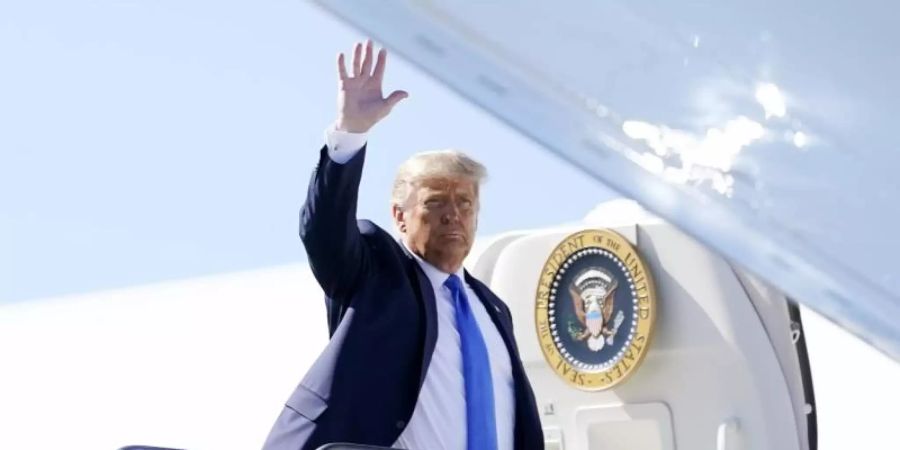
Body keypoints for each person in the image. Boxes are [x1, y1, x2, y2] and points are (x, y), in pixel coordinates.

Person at [263, 40, 543, 450]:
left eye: (464, 202)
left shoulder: (492, 308)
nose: (452, 214)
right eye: (434, 203)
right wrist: (350, 133)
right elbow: (324, 232)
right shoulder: (376, 271)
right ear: (399, 216)